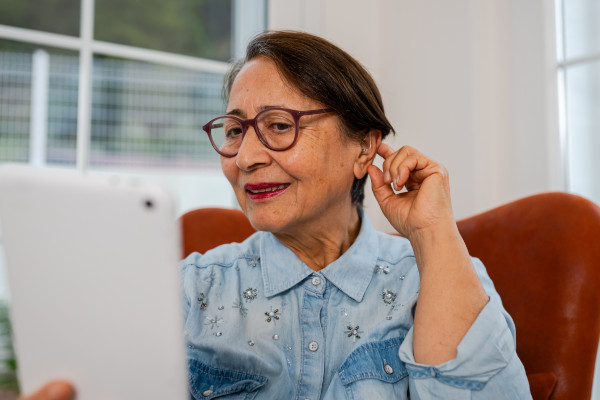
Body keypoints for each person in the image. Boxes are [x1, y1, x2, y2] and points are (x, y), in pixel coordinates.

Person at [20, 30, 531, 399]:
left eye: (280, 125)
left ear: (363, 148)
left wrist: (434, 232)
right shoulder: (184, 293)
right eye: (236, 130)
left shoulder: (438, 280)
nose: (245, 158)